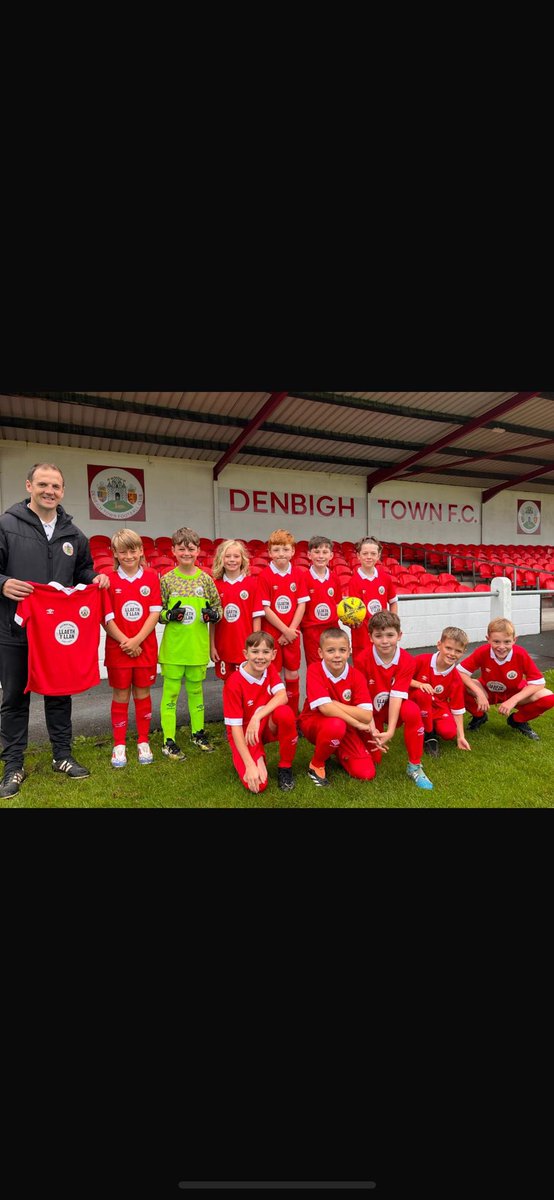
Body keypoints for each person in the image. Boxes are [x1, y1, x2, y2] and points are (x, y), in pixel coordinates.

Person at [0, 462, 110, 799]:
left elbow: (83, 569)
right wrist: (2, 584)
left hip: (55, 634)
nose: (50, 491)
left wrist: (95, 578)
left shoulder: (73, 534)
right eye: (43, 484)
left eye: (56, 486)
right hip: (14, 630)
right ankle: (13, 765)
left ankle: (62, 755)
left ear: (62, 491)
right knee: (14, 698)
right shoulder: (6, 524)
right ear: (29, 485)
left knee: (59, 695)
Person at [158, 526, 222, 759]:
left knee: (196, 691)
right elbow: (157, 612)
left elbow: (218, 608)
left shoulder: (206, 580)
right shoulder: (166, 580)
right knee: (171, 694)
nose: (186, 552)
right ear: (173, 550)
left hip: (197, 647)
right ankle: (168, 740)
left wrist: (213, 615)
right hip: (174, 648)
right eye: (181, 548)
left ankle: (198, 733)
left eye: (191, 548)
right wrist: (168, 616)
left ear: (198, 551)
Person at [102, 529, 162, 768]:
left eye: (133, 550)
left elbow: (155, 612)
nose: (129, 555)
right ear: (115, 553)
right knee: (121, 695)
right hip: (118, 650)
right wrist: (127, 642)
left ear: (141, 551)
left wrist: (137, 640)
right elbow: (106, 618)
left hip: (144, 647)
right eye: (123, 551)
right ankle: (119, 744)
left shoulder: (151, 576)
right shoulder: (107, 579)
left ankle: (143, 740)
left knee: (143, 693)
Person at [298, 627, 385, 787]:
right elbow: (325, 709)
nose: (337, 655)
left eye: (342, 650)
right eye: (330, 650)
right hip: (315, 722)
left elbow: (366, 715)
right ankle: (316, 765)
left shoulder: (356, 675)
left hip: (345, 724)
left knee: (368, 771)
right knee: (336, 725)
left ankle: (336, 749)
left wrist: (335, 704)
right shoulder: (315, 670)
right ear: (320, 652)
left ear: (349, 651)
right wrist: (357, 724)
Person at [357, 610, 433, 790]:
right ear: (370, 637)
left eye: (390, 635)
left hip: (393, 707)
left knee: (412, 710)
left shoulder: (407, 660)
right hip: (370, 711)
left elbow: (397, 695)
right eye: (378, 635)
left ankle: (414, 766)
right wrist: (373, 729)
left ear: (399, 636)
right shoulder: (362, 659)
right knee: (374, 759)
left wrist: (391, 730)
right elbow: (362, 697)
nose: (384, 641)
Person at [223, 631, 298, 793]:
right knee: (258, 786)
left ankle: (285, 767)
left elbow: (283, 696)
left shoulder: (268, 669)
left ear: (273, 655)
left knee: (285, 713)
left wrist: (257, 716)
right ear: (246, 654)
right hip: (244, 732)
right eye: (255, 652)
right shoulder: (233, 683)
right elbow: (235, 728)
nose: (260, 657)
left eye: (265, 652)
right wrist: (250, 765)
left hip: (261, 724)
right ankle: (256, 755)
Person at [457, 618, 554, 741]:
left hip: (514, 691)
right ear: (488, 639)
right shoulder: (483, 651)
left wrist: (513, 700)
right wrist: (479, 693)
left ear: (514, 640)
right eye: (496, 641)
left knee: (549, 697)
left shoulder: (520, 654)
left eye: (507, 642)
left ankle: (517, 720)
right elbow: (460, 672)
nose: (501, 647)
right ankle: (479, 716)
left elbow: (538, 683)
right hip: (489, 691)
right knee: (457, 684)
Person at [252, 529, 310, 716]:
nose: (281, 554)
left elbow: (301, 605)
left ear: (292, 551)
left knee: (293, 674)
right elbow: (265, 609)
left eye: (285, 550)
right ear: (270, 552)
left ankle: (294, 716)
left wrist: (291, 630)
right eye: (276, 550)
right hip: (273, 636)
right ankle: (273, 717)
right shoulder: (265, 576)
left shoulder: (299, 574)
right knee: (273, 676)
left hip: (293, 633)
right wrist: (285, 631)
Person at [409, 626, 473, 758]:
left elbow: (457, 708)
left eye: (458, 651)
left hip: (438, 706)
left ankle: (430, 723)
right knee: (424, 694)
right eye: (448, 648)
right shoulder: (421, 660)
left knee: (449, 733)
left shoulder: (455, 677)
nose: (452, 654)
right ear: (439, 645)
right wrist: (420, 684)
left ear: (463, 652)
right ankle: (429, 735)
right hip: (416, 701)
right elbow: (401, 679)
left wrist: (461, 736)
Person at [211, 539, 257, 680]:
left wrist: (254, 646)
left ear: (242, 559)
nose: (232, 560)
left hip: (244, 646)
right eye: (228, 556)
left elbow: (256, 617)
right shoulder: (215, 585)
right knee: (228, 683)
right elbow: (213, 621)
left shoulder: (252, 584)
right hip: (223, 647)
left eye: (236, 556)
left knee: (246, 682)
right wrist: (212, 646)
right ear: (221, 559)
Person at [348, 537, 398, 667]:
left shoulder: (385, 578)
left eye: (373, 554)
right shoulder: (354, 581)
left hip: (382, 632)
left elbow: (393, 602)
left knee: (382, 666)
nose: (369, 557)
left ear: (378, 555)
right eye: (365, 553)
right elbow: (354, 611)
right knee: (362, 667)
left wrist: (394, 623)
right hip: (362, 634)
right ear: (358, 556)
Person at [300, 535, 344, 666]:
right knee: (315, 666)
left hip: (332, 628)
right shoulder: (303, 578)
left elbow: (337, 604)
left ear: (331, 555)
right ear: (309, 555)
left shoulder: (335, 578)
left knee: (334, 663)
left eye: (325, 552)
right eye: (316, 552)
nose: (320, 556)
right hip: (312, 630)